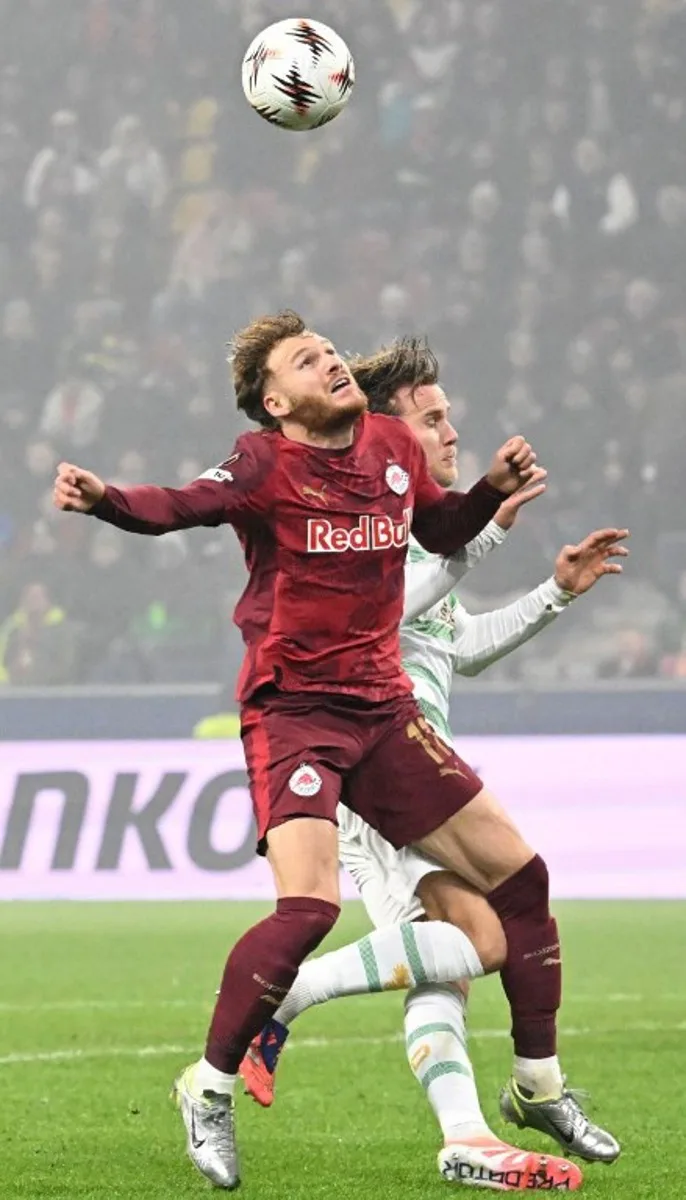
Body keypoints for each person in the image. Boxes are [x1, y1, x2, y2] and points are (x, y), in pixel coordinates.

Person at [52, 311, 597, 1191]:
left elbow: (442, 529)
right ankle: (210, 1088)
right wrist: (105, 498)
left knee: (523, 881)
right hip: (295, 712)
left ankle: (537, 1086)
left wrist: (490, 490)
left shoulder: (390, 441)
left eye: (332, 352)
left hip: (384, 712)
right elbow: (179, 506)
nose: (332, 363)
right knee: (308, 909)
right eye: (308, 362)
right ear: (277, 401)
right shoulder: (262, 462)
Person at [237, 338, 624, 1191]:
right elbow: (381, 607)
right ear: (388, 435)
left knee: (448, 951)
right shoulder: (364, 532)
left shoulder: (421, 537)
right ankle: (288, 1001)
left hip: (417, 769)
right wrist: (480, 539)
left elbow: (462, 647)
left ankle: (467, 1136)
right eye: (433, 419)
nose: (450, 433)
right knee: (477, 937)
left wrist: (554, 593)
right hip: (371, 777)